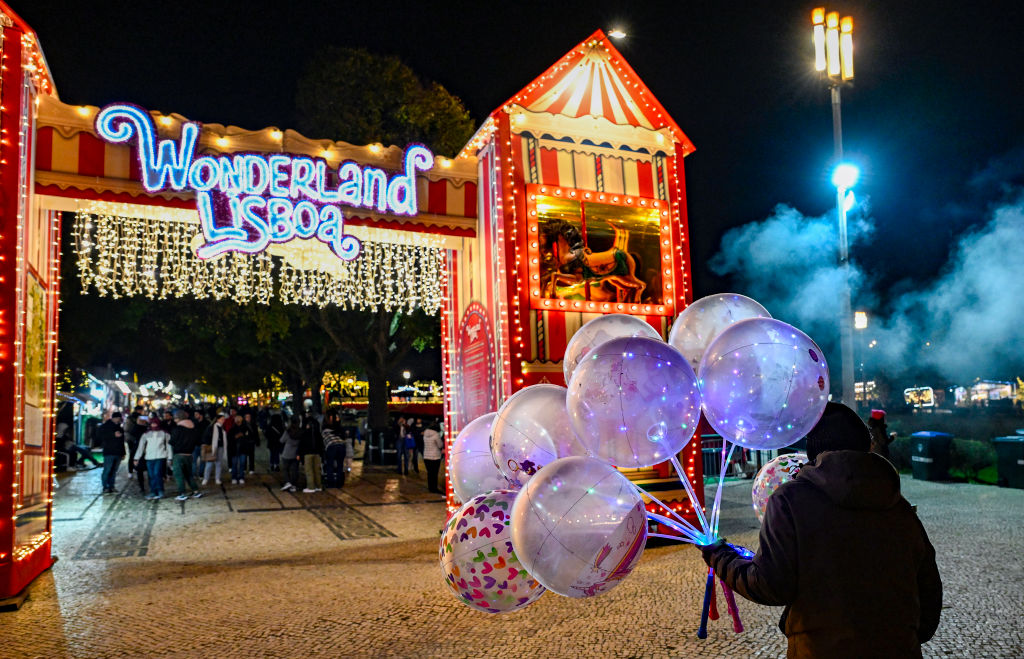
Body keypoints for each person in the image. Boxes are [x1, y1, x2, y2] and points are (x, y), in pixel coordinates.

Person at [699, 402, 942, 658]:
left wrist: (720, 555)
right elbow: (928, 591)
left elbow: (769, 584)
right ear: (865, 445)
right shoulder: (898, 505)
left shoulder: (790, 500)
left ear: (813, 449)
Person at [134, 418, 171, 499]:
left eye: (155, 423)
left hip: (160, 456)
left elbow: (169, 446)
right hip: (149, 457)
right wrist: (136, 458)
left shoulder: (164, 433)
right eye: (152, 423)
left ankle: (160, 491)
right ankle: (153, 491)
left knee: (157, 473)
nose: (153, 425)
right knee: (151, 475)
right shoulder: (146, 434)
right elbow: (141, 447)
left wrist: (170, 457)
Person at [169, 410, 202, 500]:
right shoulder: (193, 428)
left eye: (175, 419)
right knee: (189, 474)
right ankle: (196, 491)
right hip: (189, 454)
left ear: (179, 418)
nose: (174, 420)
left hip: (179, 455)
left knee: (178, 475)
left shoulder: (178, 429)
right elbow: (198, 441)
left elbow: (172, 441)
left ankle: (182, 493)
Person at [97, 411, 127, 494]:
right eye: (117, 418)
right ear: (113, 418)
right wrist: (113, 435)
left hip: (118, 452)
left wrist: (123, 452)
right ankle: (105, 487)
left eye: (119, 418)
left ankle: (111, 486)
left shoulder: (119, 427)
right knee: (107, 470)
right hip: (109, 452)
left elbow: (122, 441)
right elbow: (100, 437)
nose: (118, 420)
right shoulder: (105, 426)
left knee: (114, 471)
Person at [299, 410, 323, 492]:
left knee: (309, 470)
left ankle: (311, 487)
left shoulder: (305, 432)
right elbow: (321, 442)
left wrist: (300, 453)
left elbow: (302, 443)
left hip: (308, 452)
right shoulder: (317, 432)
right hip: (317, 452)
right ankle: (318, 486)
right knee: (317, 470)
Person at [322, 412, 347, 488]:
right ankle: (339, 483)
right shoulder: (337, 429)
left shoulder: (324, 431)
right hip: (341, 446)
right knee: (340, 465)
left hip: (331, 446)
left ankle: (331, 483)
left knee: (330, 465)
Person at [228, 414, 253, 485]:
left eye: (239, 420)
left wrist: (243, 435)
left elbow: (249, 436)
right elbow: (229, 439)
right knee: (234, 464)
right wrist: (235, 437)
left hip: (243, 449)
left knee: (242, 464)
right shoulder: (232, 429)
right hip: (234, 449)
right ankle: (234, 477)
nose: (238, 421)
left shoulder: (245, 428)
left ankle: (241, 477)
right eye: (237, 420)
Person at [203, 413, 228, 486]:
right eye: (222, 419)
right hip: (212, 447)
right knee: (209, 463)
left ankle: (217, 478)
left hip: (220, 447)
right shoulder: (212, 427)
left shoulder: (222, 427)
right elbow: (207, 437)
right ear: (218, 419)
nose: (223, 421)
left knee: (218, 463)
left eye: (224, 419)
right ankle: (206, 478)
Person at [279, 417, 302, 493]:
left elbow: (281, 440)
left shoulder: (288, 431)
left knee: (285, 469)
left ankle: (287, 482)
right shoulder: (300, 432)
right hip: (296, 453)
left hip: (287, 453)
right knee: (295, 470)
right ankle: (294, 485)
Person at [422, 420, 444, 494]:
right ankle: (434, 488)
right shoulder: (436, 434)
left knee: (429, 473)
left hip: (426, 456)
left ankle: (430, 488)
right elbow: (440, 445)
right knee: (434, 473)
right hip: (435, 457)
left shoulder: (425, 433)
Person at [192, 409, 210, 476]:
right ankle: (193, 474)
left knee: (203, 461)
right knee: (193, 461)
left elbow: (209, 434)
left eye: (196, 414)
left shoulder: (207, 423)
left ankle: (201, 474)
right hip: (195, 445)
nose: (195, 416)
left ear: (201, 415)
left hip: (204, 445)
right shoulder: (194, 422)